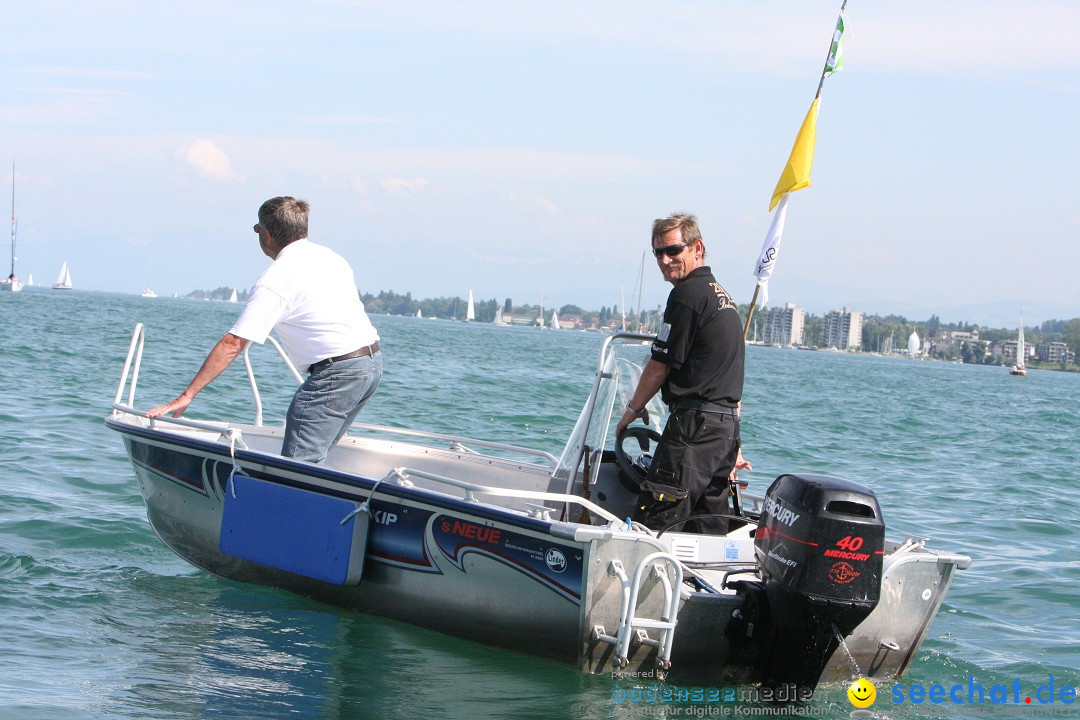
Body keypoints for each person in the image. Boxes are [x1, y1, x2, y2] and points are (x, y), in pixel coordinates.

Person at [147, 196, 382, 464]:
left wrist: (186, 395)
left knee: (297, 467)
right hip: (370, 365)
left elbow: (234, 343)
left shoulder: (277, 278)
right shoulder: (332, 258)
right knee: (314, 457)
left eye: (257, 230)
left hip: (336, 373)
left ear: (268, 234)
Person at [615, 212, 750, 534]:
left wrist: (632, 410)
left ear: (697, 248)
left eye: (673, 250)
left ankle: (641, 580)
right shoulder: (722, 298)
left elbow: (660, 363)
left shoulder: (687, 295)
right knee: (707, 521)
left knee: (658, 514)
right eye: (658, 252)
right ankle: (706, 579)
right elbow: (727, 374)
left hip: (695, 426)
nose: (665, 259)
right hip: (722, 427)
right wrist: (734, 441)